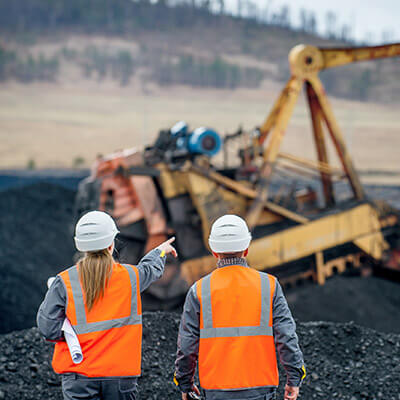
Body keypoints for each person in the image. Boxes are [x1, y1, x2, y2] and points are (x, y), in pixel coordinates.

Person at [37, 210, 177, 400]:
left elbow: (48, 328)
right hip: (120, 376)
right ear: (111, 245)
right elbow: (150, 269)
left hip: (79, 376)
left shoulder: (65, 281)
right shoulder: (130, 277)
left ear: (81, 246)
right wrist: (160, 251)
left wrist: (71, 335)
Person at [174, 214, 306, 400]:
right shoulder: (268, 285)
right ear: (246, 248)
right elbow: (286, 336)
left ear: (214, 251)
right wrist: (294, 378)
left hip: (216, 390)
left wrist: (185, 384)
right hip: (260, 389)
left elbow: (187, 345)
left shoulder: (199, 290)